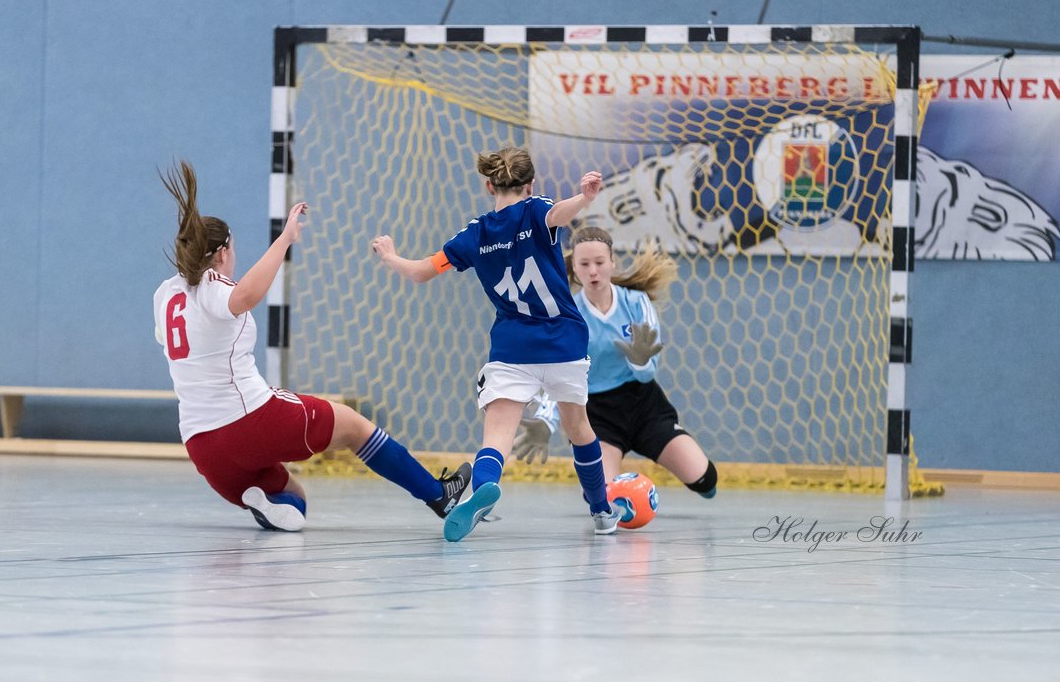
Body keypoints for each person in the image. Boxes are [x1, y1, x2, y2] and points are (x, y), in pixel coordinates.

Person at [153, 160, 471, 532]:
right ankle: (438, 495)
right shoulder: (213, 286)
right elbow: (246, 296)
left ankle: (264, 500)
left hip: (202, 448)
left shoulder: (165, 294)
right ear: (223, 253)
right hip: (247, 420)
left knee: (294, 501)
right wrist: (284, 239)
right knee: (354, 426)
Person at [371, 147, 623, 542]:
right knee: (579, 429)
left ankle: (483, 488)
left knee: (497, 437)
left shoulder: (474, 235)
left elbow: (422, 272)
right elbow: (557, 215)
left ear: (489, 185)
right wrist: (586, 198)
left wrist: (390, 256)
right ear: (531, 185)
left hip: (512, 348)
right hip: (564, 344)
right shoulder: (536, 210)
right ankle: (602, 512)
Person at [512, 226, 718, 500]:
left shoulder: (636, 302)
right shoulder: (569, 317)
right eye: (584, 264)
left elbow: (647, 375)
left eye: (599, 262)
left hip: (643, 404)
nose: (593, 271)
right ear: (574, 267)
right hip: (597, 415)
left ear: (612, 262)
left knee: (705, 481)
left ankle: (700, 478)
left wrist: (642, 362)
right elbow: (559, 377)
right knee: (599, 495)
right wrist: (546, 422)